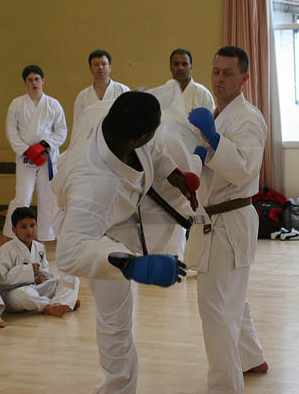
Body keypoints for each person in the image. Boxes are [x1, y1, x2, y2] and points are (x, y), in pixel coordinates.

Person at [53, 91, 198, 394]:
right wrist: (131, 265)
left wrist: (174, 174)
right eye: (153, 131)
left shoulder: (109, 112)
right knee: (115, 318)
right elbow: (69, 252)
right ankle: (118, 388)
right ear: (138, 137)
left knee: (119, 314)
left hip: (122, 214)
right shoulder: (93, 186)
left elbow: (153, 149)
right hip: (92, 234)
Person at [188, 46, 268, 393]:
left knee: (216, 306)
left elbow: (244, 169)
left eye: (228, 73)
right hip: (213, 217)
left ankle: (225, 385)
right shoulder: (216, 114)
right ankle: (250, 357)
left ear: (244, 78)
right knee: (232, 295)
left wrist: (215, 140)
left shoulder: (248, 119)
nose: (219, 79)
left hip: (231, 217)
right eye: (216, 71)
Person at [3, 65, 68, 243]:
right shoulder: (16, 104)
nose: (34, 83)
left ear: (43, 80)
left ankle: (44, 239)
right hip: (25, 158)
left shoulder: (53, 104)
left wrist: (44, 145)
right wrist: (27, 150)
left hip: (47, 158)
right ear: (25, 83)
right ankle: (10, 235)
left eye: (37, 79)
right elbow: (11, 132)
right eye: (30, 80)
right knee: (22, 197)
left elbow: (61, 131)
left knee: (48, 198)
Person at [0, 207, 80, 317]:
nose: (29, 230)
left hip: (37, 288)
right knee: (25, 295)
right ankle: (54, 304)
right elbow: (2, 279)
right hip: (13, 293)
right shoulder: (6, 250)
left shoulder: (39, 247)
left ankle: (60, 303)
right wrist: (29, 271)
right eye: (23, 227)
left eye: (32, 225)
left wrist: (42, 276)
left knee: (71, 278)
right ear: (14, 230)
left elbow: (46, 270)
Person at [72, 49, 129, 125]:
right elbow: (78, 124)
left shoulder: (123, 90)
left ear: (109, 67)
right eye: (96, 65)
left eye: (104, 64)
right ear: (90, 69)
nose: (100, 67)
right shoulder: (82, 96)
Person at [168, 48, 215, 113]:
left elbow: (211, 118)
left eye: (184, 64)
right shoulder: (164, 94)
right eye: (176, 64)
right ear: (170, 67)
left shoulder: (203, 94)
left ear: (190, 67)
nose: (180, 68)